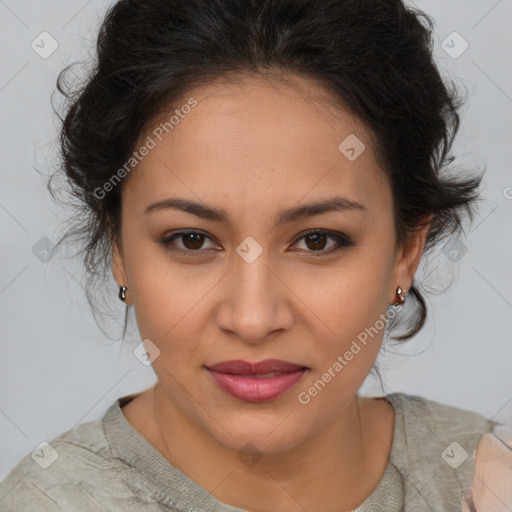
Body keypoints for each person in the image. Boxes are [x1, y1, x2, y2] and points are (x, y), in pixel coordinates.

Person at [1, 0, 510, 510]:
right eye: (192, 240)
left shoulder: (485, 479)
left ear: (406, 249)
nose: (252, 319)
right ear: (119, 247)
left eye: (317, 240)